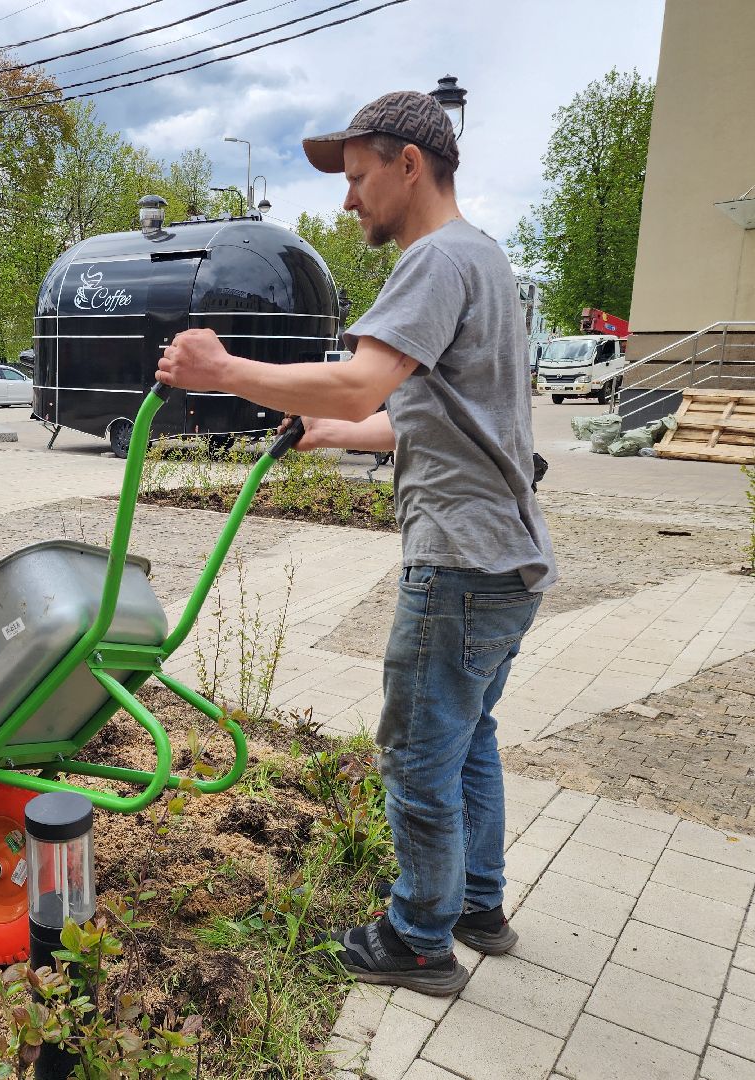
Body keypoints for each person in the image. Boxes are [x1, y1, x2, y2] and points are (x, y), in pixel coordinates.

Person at [156, 91, 556, 997]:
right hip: (507, 560)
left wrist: (222, 371)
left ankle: (417, 937)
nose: (348, 202)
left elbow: (358, 382)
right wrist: (339, 435)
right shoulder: (484, 259)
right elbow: (445, 418)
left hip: (458, 559)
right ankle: (477, 906)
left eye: (357, 177)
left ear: (408, 163)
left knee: (417, 751)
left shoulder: (434, 258)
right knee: (469, 741)